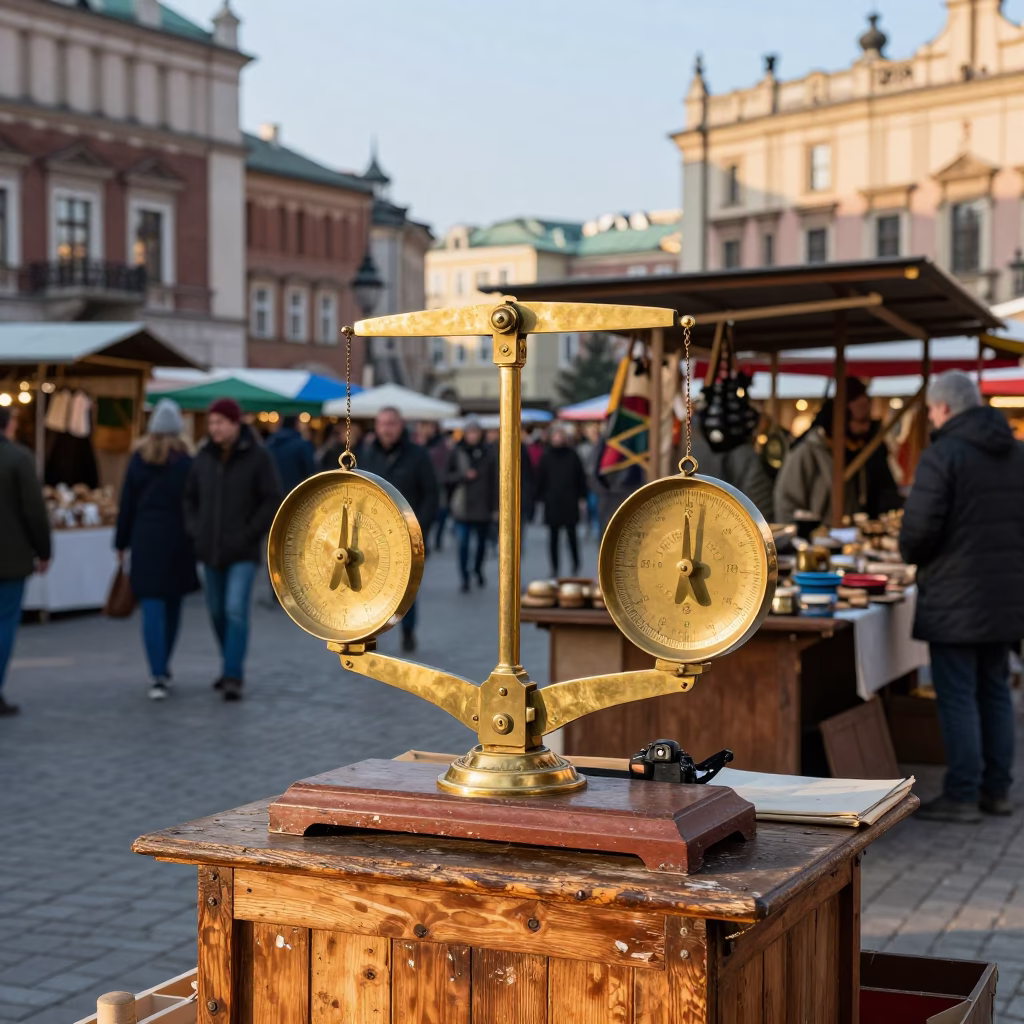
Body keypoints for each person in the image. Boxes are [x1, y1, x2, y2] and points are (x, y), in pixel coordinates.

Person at [899, 371, 1024, 823]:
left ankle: (963, 794)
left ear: (945, 408)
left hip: (955, 596)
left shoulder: (943, 455)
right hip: (1005, 597)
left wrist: (912, 552)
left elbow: (916, 534)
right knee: (994, 690)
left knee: (958, 696)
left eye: (932, 409)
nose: (932, 417)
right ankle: (998, 791)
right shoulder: (1016, 453)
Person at [184, 398, 282, 701]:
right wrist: (196, 530)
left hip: (242, 550)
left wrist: (250, 533)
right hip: (210, 549)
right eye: (211, 422)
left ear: (235, 423)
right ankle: (228, 662)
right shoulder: (203, 457)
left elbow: (271, 499)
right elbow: (189, 498)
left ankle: (232, 674)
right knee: (216, 612)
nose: (214, 428)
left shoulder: (258, 457)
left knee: (235, 610)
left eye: (220, 422)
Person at [115, 399, 199, 700]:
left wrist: (121, 543)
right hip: (178, 539)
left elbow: (127, 504)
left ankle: (156, 672)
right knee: (173, 605)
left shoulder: (139, 458)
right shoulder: (187, 461)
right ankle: (165, 664)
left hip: (146, 538)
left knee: (151, 606)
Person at [358, 407, 439, 652]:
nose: (386, 429)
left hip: (406, 534)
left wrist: (419, 527)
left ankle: (407, 631)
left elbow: (431, 494)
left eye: (391, 423)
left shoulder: (417, 455)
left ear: (401, 425)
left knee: (406, 588)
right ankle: (367, 632)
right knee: (369, 586)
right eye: (382, 423)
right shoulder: (366, 454)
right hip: (372, 534)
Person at [774, 377, 900, 523]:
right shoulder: (807, 452)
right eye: (860, 421)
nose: (865, 428)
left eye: (867, 420)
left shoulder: (866, 447)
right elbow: (786, 503)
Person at [0, 406, 51, 716]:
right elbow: (34, 511)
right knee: (5, 622)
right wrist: (43, 550)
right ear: (8, 425)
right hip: (11, 557)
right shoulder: (19, 458)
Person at [446, 420, 497, 592]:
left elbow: (494, 481)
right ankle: (465, 577)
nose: (473, 436)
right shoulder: (457, 452)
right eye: (470, 432)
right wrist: (463, 476)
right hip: (463, 506)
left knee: (482, 544)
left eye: (476, 432)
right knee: (463, 545)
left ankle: (478, 569)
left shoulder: (489, 453)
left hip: (483, 506)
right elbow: (446, 477)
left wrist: (495, 507)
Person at [536, 424, 588, 577]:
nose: (558, 438)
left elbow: (580, 478)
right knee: (553, 538)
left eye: (561, 435)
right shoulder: (546, 457)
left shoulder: (573, 455)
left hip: (570, 501)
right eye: (556, 435)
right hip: (552, 502)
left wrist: (582, 498)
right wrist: (539, 498)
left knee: (572, 536)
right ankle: (554, 567)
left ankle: (576, 564)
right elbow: (540, 479)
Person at [419, 421, 451, 552]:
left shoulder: (442, 447)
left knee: (439, 515)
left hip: (438, 487)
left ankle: (436, 539)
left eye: (429, 427)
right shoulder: (419, 445)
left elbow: (445, 467)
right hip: (421, 490)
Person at [266, 415, 315, 495]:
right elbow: (311, 472)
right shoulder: (302, 445)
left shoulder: (270, 444)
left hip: (274, 495)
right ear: (296, 424)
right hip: (296, 495)